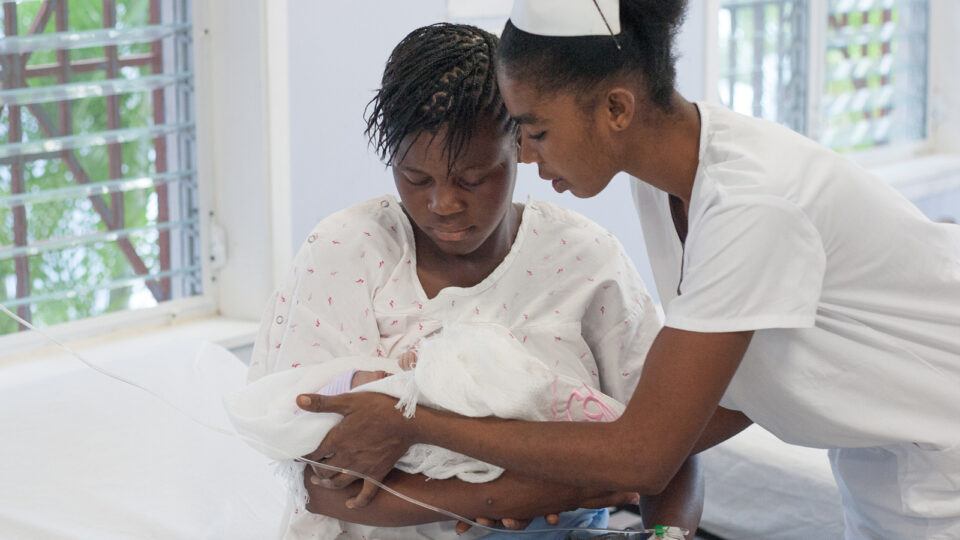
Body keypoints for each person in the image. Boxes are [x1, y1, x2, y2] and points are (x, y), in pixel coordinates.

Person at [297, 2, 960, 539]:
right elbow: (728, 398)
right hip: (890, 468)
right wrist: (504, 493)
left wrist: (411, 420)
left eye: (536, 130)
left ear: (616, 110)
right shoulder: (671, 183)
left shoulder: (750, 206)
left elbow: (646, 453)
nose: (524, 155)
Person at [248, 22, 704, 539]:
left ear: (522, 145)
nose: (444, 205)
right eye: (415, 179)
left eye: (473, 177)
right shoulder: (346, 252)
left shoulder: (584, 260)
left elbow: (672, 446)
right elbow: (320, 484)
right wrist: (515, 494)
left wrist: (669, 537)